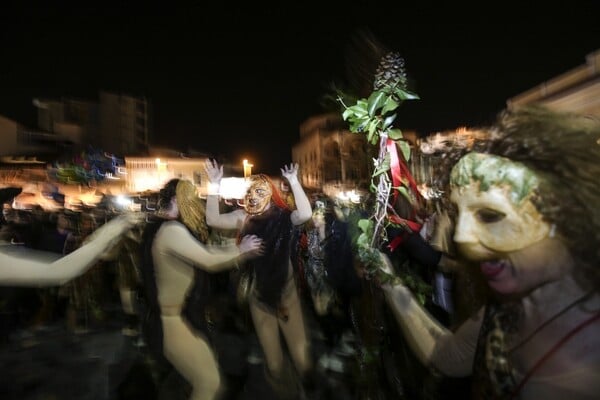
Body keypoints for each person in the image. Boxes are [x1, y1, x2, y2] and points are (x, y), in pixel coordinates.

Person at [380, 105, 600, 399]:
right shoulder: (506, 307)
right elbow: (449, 356)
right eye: (459, 213)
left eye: (491, 215)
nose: (462, 237)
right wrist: (388, 281)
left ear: (565, 215)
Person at [140, 178, 263, 400]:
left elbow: (205, 251)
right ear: (178, 199)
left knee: (204, 379)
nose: (197, 202)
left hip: (181, 317)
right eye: (192, 197)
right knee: (210, 384)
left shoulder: (162, 226)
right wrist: (242, 251)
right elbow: (208, 260)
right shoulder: (170, 230)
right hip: (173, 321)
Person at [204, 160, 314, 397]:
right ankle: (288, 392)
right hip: (260, 298)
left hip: (287, 298)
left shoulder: (283, 216)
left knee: (302, 360)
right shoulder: (243, 217)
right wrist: (214, 184)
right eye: (250, 191)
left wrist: (294, 181)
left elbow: (305, 214)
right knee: (274, 365)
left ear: (271, 194)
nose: (253, 196)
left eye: (260, 191)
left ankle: (304, 390)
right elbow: (212, 220)